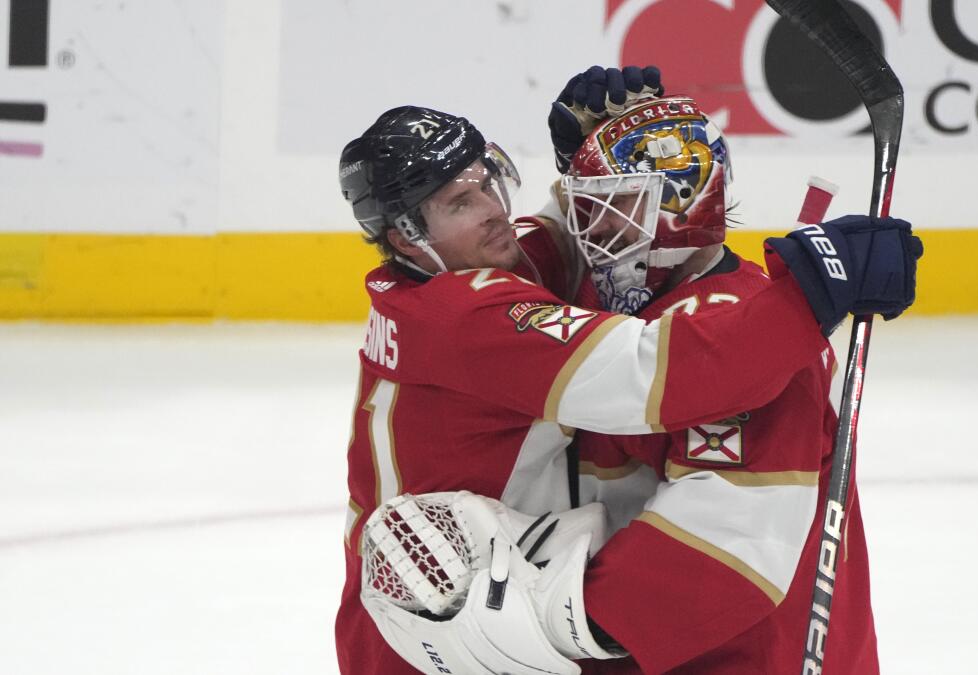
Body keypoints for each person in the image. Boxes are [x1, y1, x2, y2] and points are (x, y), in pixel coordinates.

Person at [333, 70, 921, 675]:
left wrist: (602, 157)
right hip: (440, 633)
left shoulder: (452, 276)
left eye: (488, 184)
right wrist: (812, 295)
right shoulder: (469, 315)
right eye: (460, 203)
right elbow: (652, 370)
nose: (494, 213)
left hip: (448, 613)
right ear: (406, 238)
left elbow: (559, 234)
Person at [554, 94, 896, 674]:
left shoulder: (739, 342)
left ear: (680, 210)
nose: (594, 229)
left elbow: (726, 553)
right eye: (592, 207)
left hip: (748, 654)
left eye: (618, 207)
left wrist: (553, 625)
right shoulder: (650, 303)